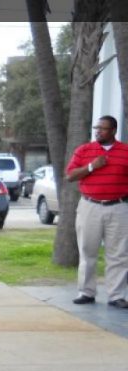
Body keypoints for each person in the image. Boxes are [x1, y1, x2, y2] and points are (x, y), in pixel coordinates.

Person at [65, 115, 128, 308]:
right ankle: (86, 292)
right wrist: (92, 166)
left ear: (113, 131)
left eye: (103, 128)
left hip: (118, 207)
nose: (98, 131)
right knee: (87, 250)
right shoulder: (84, 150)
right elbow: (70, 176)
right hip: (90, 207)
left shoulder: (125, 152)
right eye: (96, 128)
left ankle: (116, 295)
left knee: (119, 253)